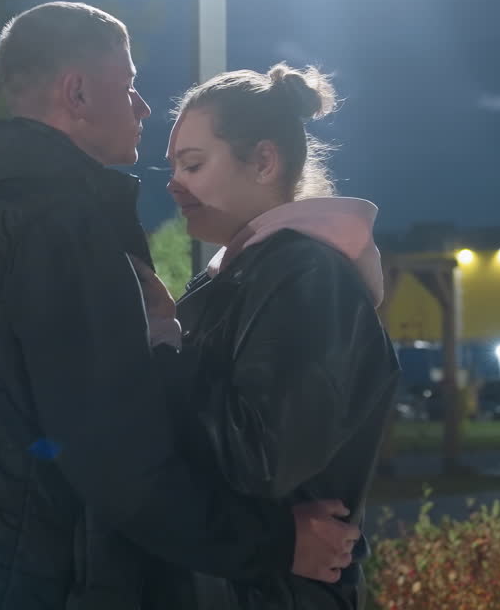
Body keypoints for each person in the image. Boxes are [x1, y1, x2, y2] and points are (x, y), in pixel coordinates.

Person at [0, 3, 360, 610]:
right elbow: (118, 460)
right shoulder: (56, 222)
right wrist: (277, 543)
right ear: (76, 92)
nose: (142, 106)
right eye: (127, 86)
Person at [140, 62, 402, 609]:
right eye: (173, 167)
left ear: (263, 160)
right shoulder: (252, 272)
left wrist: (163, 343)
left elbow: (262, 457)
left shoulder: (306, 277)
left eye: (193, 163)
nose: (173, 184)